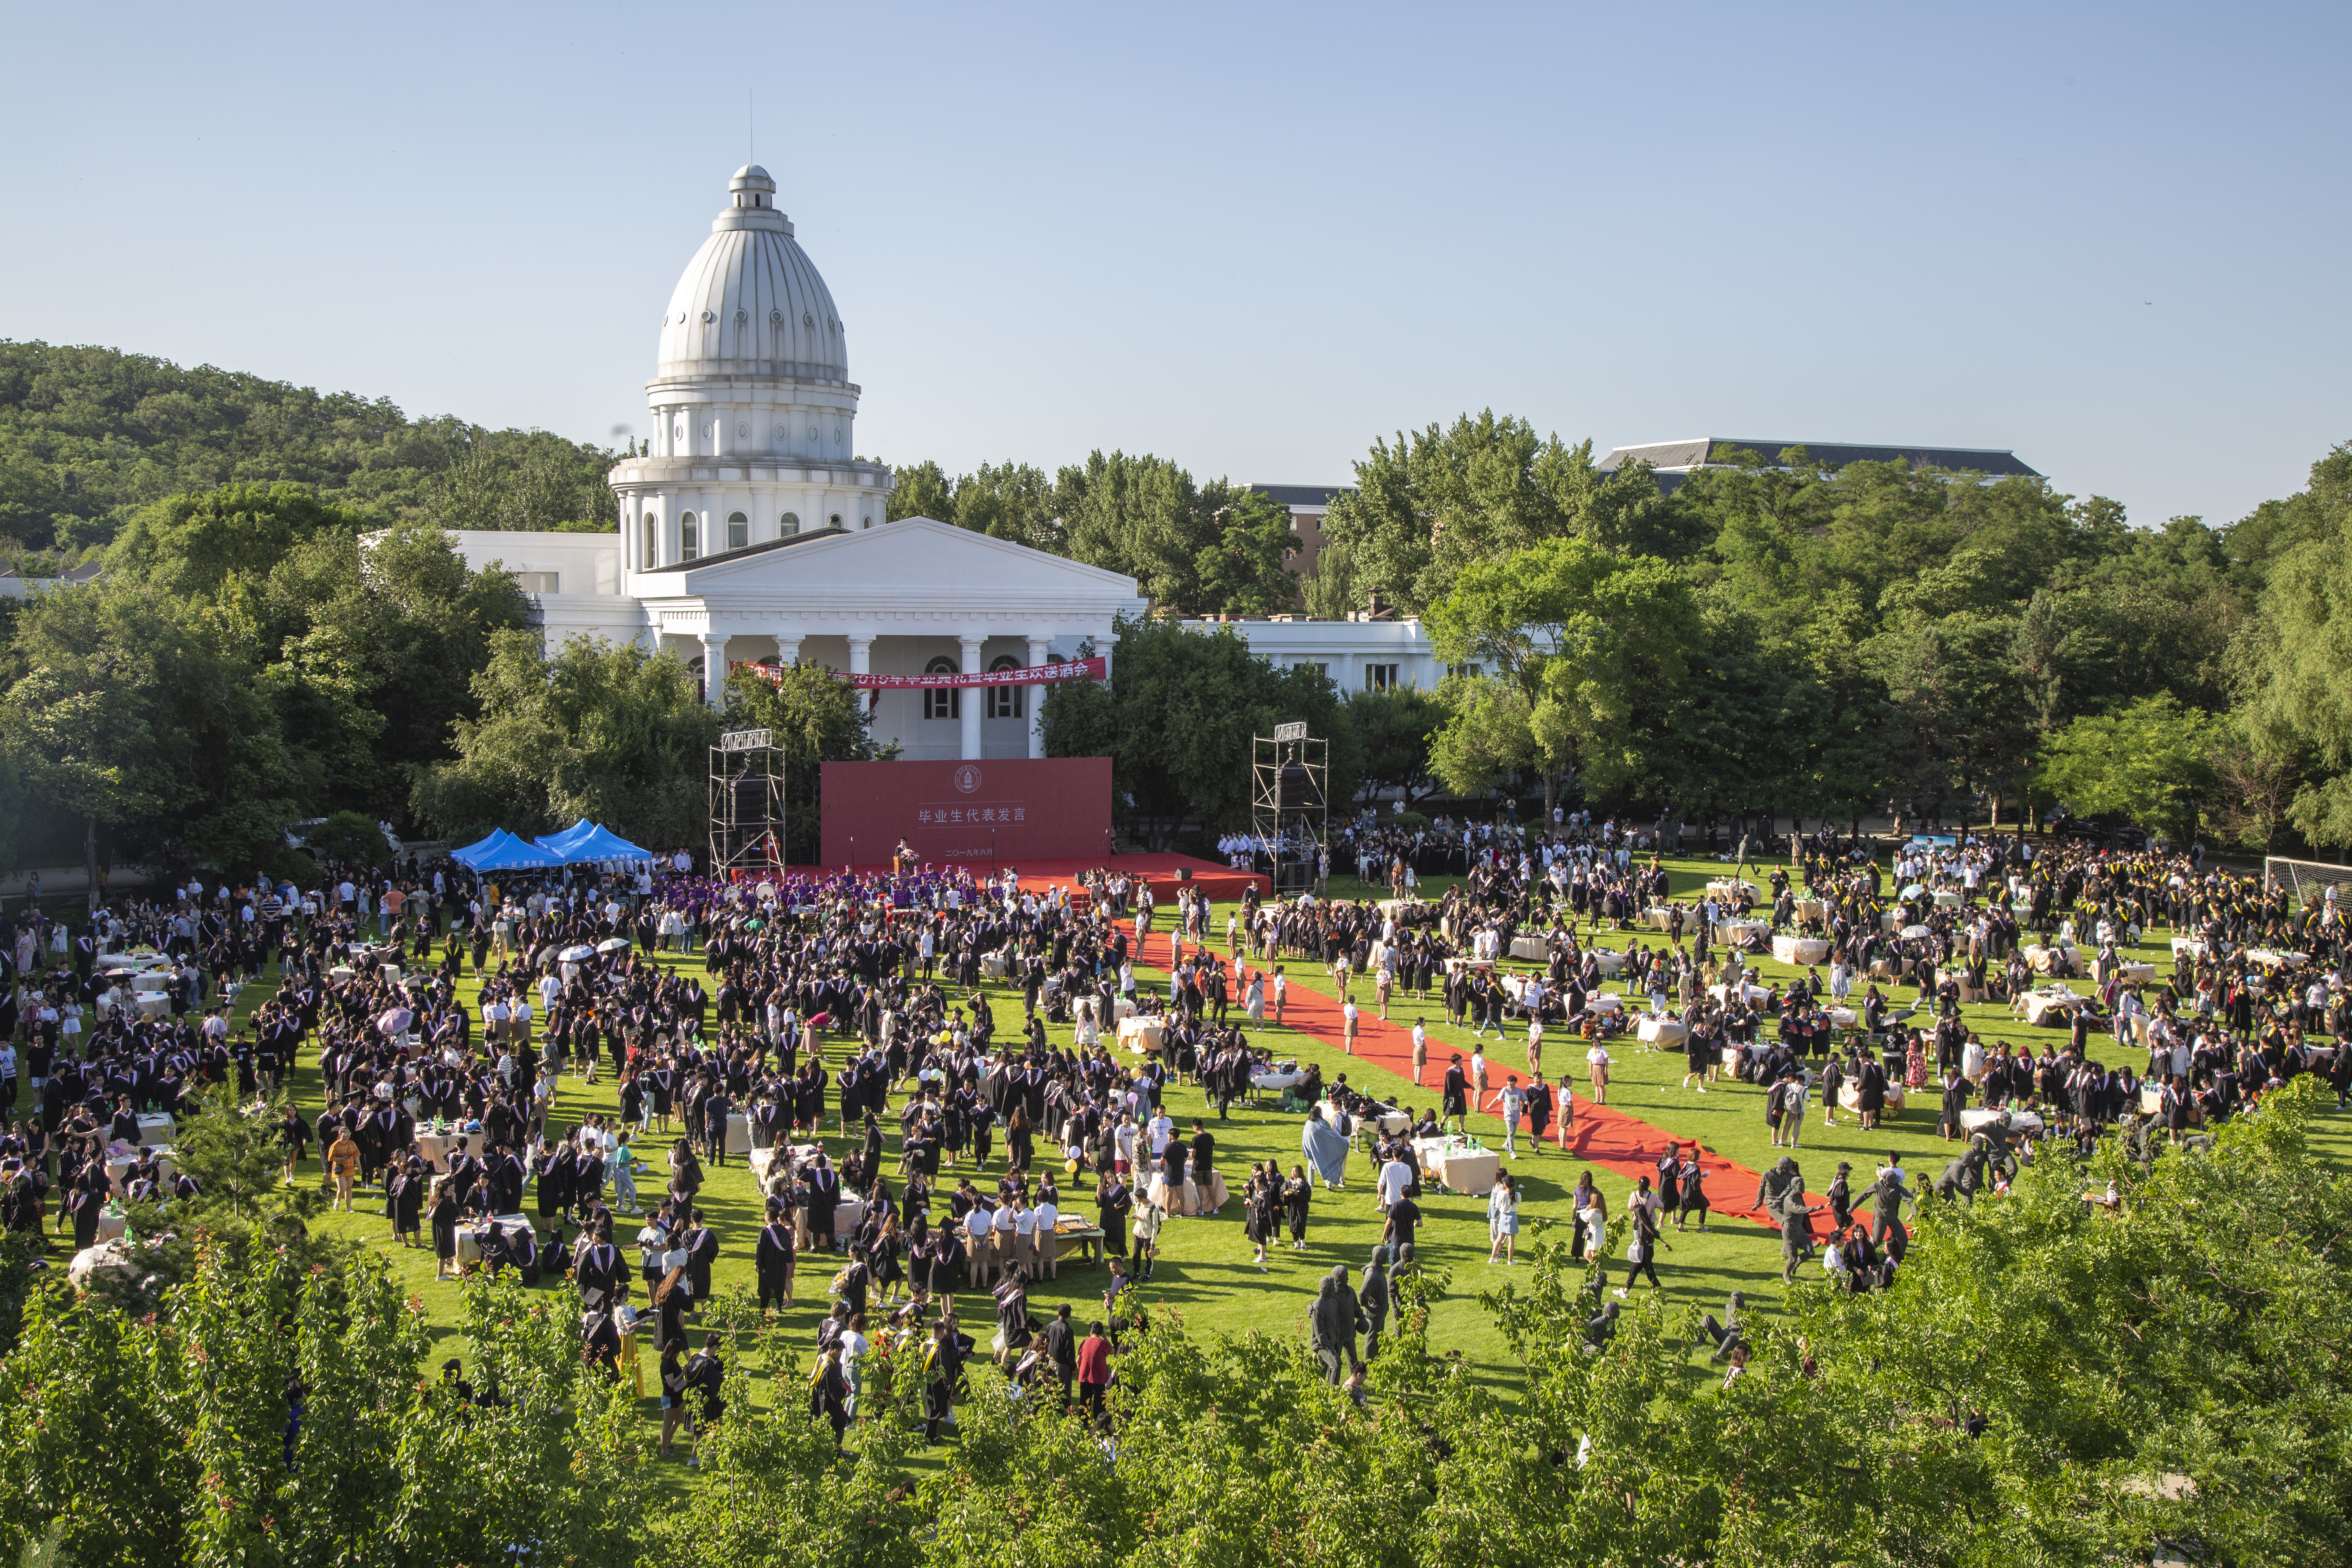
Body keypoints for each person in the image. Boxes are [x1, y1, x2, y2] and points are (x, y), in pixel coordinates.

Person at [1308, 1264, 1364, 1385]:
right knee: (1334, 1362)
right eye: (1346, 1277)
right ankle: (1329, 1385)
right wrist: (1310, 1309)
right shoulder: (1331, 1295)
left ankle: (1356, 1382)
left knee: (1354, 1360)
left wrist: (1362, 1317)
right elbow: (1319, 1304)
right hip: (1337, 1337)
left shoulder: (1351, 1292)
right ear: (1339, 1280)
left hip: (1349, 1333)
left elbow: (1356, 1308)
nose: (1348, 1279)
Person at [1076, 1319, 1114, 1426]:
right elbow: (1113, 1351)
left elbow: (1078, 1360)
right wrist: (1106, 1338)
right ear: (1102, 1333)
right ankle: (1099, 1426)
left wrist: (1081, 1371)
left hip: (1085, 1377)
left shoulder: (1085, 1342)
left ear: (1091, 1332)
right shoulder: (1103, 1343)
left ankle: (1084, 1425)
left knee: (1084, 1403)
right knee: (1100, 1405)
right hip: (1099, 1379)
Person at [1486, 1170, 1521, 1264]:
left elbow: (1497, 1206)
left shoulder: (1501, 1194)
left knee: (1499, 1239)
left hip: (1503, 1217)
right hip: (1512, 1217)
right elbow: (1519, 1202)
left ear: (1505, 1184)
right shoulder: (1517, 1195)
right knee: (1511, 1241)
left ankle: (1493, 1258)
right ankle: (1510, 1261)